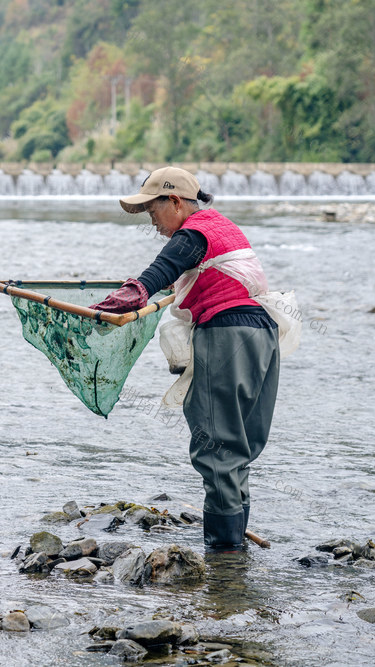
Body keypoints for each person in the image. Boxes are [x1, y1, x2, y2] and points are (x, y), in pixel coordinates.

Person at [91, 166, 280, 552]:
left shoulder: (196, 230)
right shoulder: (223, 228)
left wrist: (135, 290)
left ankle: (223, 556)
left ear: (175, 201)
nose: (153, 221)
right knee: (238, 449)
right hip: (263, 336)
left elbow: (167, 264)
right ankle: (234, 560)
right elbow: (184, 270)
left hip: (227, 336)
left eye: (153, 210)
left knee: (216, 447)